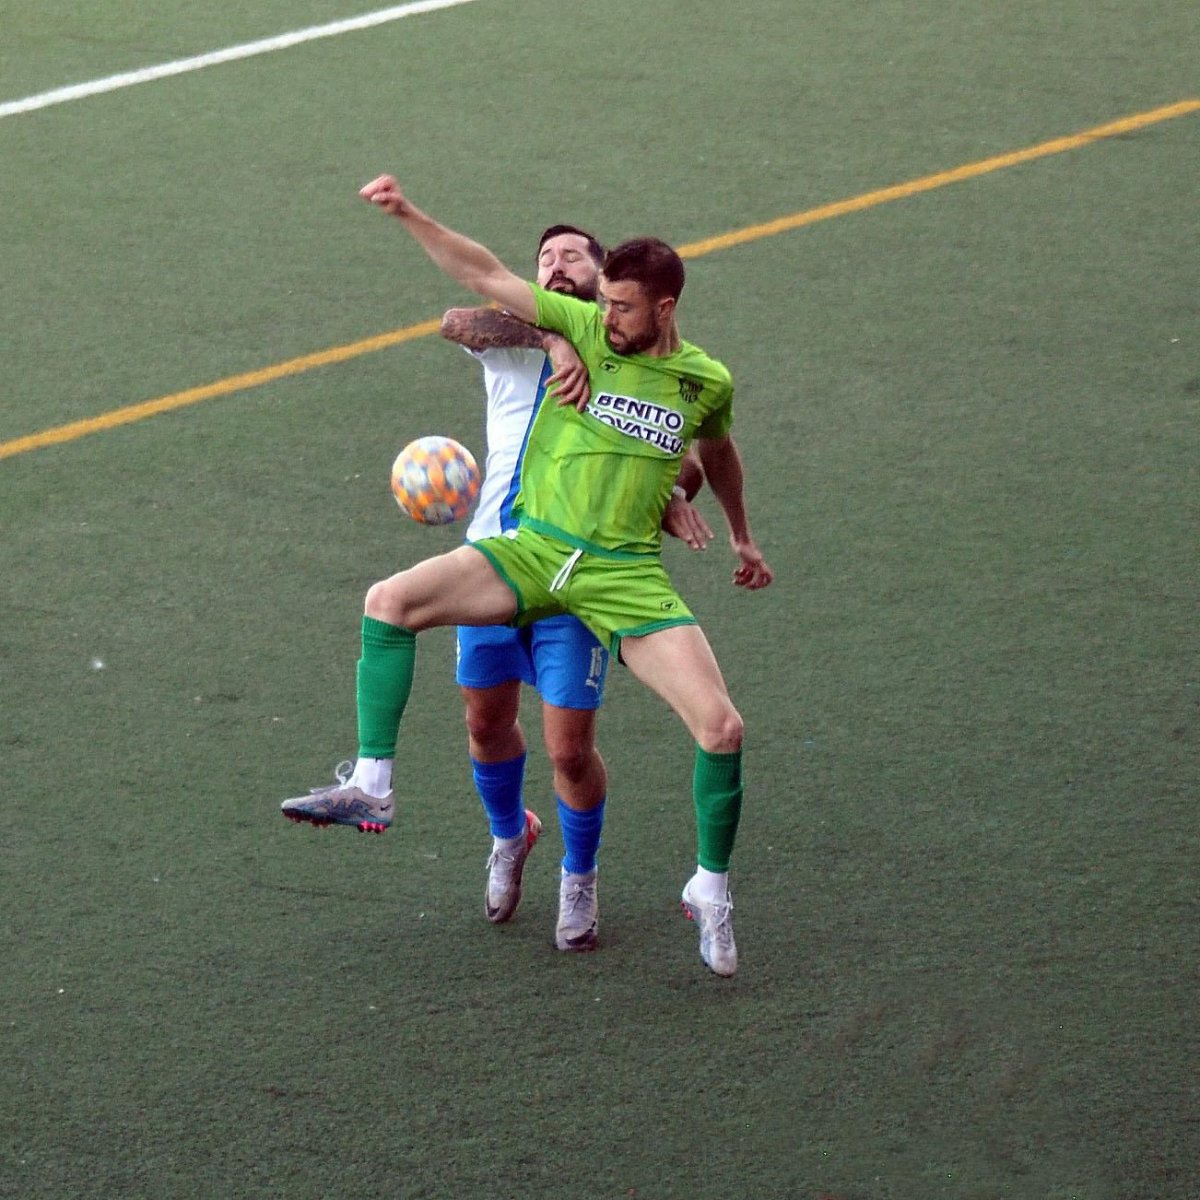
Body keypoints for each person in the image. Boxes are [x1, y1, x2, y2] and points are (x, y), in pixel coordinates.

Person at [282, 175, 773, 977]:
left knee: (719, 729)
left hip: (618, 577)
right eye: (600, 302)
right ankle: (375, 782)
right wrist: (410, 214)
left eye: (621, 305)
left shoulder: (702, 380)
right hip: (530, 551)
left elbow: (712, 449)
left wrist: (738, 533)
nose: (605, 318)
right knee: (389, 602)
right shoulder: (569, 325)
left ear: (665, 307)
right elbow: (478, 278)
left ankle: (709, 888)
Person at [438, 222, 710, 952]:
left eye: (573, 258)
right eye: (545, 259)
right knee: (486, 722)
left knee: (567, 750)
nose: (556, 267)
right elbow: (455, 319)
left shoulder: (634, 360)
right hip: (495, 558)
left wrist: (676, 491)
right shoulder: (512, 332)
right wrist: (552, 340)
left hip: (575, 578)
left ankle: (580, 874)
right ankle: (509, 835)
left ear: (602, 280)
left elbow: (685, 459)